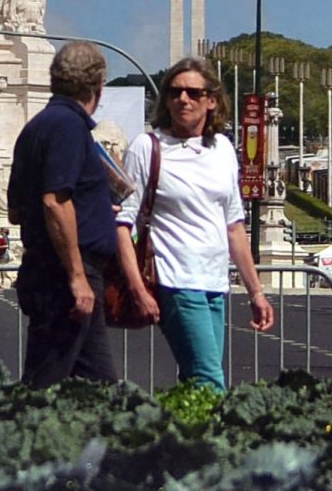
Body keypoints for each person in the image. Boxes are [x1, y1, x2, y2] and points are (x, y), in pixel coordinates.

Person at [114, 56, 274, 390]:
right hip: (175, 279)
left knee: (195, 379)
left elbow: (234, 226)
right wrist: (137, 288)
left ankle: (179, 440)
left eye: (193, 93)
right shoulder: (148, 147)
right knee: (209, 380)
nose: (182, 99)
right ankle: (214, 442)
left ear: (212, 100)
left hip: (214, 282)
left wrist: (255, 292)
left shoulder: (223, 150)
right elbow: (122, 224)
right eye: (174, 92)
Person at [6, 39, 119, 387]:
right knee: (45, 380)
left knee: (99, 386)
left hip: (52, 268)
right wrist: (76, 276)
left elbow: (14, 210)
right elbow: (55, 200)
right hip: (66, 273)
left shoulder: (35, 128)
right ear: (98, 88)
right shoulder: (68, 128)